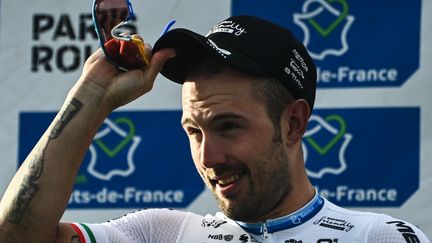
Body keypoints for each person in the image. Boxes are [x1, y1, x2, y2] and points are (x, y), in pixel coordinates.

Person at [0, 15, 429, 243]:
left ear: (293, 122)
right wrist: (91, 97)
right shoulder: (160, 234)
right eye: (194, 130)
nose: (208, 158)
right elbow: (18, 237)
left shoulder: (377, 238)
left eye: (228, 126)